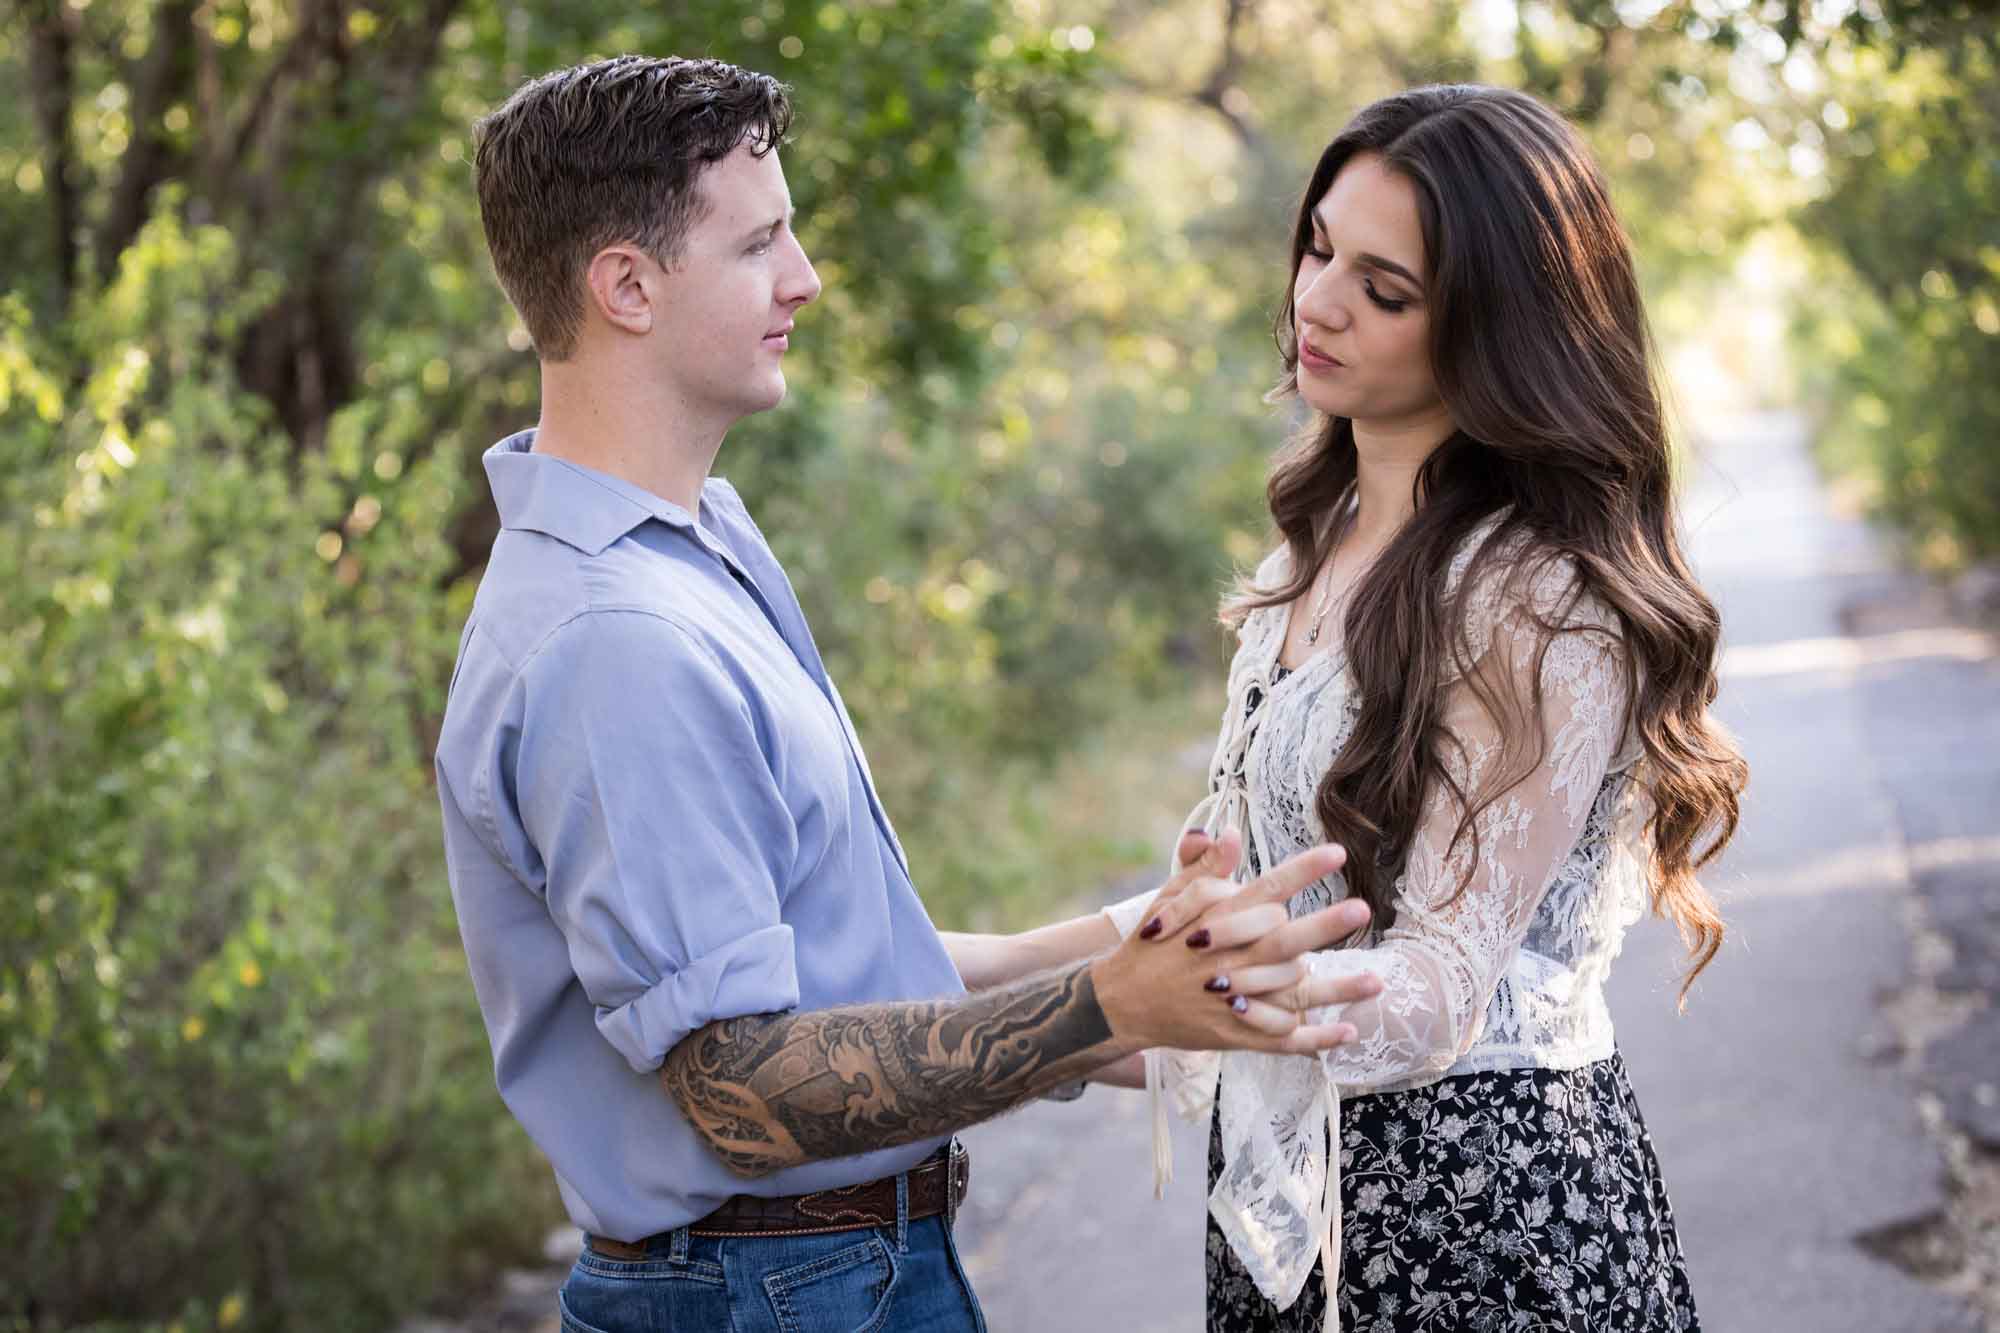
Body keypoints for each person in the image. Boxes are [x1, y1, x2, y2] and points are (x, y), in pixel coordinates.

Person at [433, 54, 1388, 1333]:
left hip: (819, 1279)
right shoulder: (614, 640)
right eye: (760, 241)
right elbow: (745, 1091)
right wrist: (1106, 1005)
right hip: (771, 1295)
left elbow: (836, 985)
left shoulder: (696, 538)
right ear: (625, 286)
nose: (803, 277)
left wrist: (1135, 942)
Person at [973, 85, 1750, 1331]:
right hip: (1296, 1205)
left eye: (1385, 290)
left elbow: (1437, 992)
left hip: (1482, 1221)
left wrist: (1060, 1030)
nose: (1316, 301)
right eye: (1319, 248)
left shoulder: (1536, 597)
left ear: (1499, 329)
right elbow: (1239, 899)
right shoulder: (1320, 541)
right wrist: (986, 968)